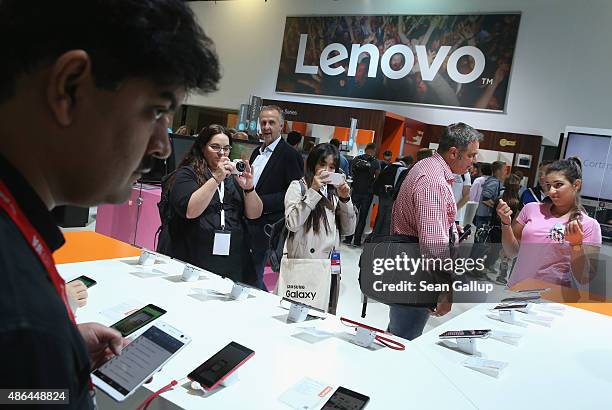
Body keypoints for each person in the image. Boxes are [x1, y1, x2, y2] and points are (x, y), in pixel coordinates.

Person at [0, 0, 220, 407]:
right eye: (154, 111)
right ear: (70, 88)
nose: (160, 147)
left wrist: (58, 354)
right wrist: (43, 354)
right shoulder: (20, 314)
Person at [390, 123, 482, 340]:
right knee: (405, 340)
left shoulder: (427, 167)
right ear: (453, 152)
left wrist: (451, 229)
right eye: (471, 155)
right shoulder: (433, 181)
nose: (474, 161)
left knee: (399, 332)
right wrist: (444, 289)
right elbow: (433, 244)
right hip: (417, 275)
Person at [160, 125, 262, 284]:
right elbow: (191, 210)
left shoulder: (232, 179)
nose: (222, 153)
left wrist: (248, 187)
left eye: (227, 148)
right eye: (215, 147)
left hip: (230, 262)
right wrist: (216, 178)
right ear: (202, 147)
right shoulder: (186, 174)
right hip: (193, 258)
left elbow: (255, 214)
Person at [497, 158, 602, 288]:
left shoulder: (588, 225)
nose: (551, 191)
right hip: (515, 290)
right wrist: (505, 223)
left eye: (558, 185)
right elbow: (511, 252)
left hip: (551, 300)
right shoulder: (531, 209)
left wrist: (576, 245)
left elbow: (584, 277)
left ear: (576, 185)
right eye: (548, 185)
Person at [284, 144, 356, 314]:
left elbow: (349, 229)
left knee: (322, 316)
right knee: (298, 315)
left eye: (332, 167)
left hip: (330, 265)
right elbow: (292, 223)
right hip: (305, 264)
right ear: (312, 164)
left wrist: (345, 200)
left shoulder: (334, 192)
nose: (326, 170)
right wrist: (313, 191)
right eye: (322, 164)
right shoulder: (298, 187)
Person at [248, 106, 304, 290]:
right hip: (246, 221)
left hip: (267, 225)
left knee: (254, 274)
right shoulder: (257, 152)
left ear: (281, 125)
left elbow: (294, 193)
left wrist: (260, 203)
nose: (266, 127)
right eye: (263, 122)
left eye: (271, 122)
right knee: (245, 269)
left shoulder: (290, 155)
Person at [343, 143, 380, 246]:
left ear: (365, 149)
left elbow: (351, 173)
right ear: (373, 150)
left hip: (355, 191)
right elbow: (377, 176)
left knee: (352, 214)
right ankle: (357, 240)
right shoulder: (375, 162)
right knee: (362, 217)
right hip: (367, 193)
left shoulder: (356, 159)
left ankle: (348, 238)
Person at [372, 156, 411, 236]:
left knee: (380, 216)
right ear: (409, 163)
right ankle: (382, 237)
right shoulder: (402, 169)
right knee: (388, 218)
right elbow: (397, 183)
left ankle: (374, 234)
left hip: (382, 194)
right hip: (391, 196)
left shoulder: (389, 166)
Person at [474, 161, 506, 228]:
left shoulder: (493, 181)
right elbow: (485, 199)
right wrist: (496, 207)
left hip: (484, 215)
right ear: (498, 171)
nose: (505, 172)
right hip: (484, 216)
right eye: (504, 170)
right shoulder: (494, 182)